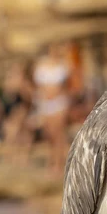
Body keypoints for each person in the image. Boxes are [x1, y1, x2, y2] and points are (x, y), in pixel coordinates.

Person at [32, 43, 70, 175]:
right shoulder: (41, 66)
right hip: (45, 104)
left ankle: (58, 163)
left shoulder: (62, 66)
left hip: (58, 103)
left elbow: (64, 86)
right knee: (49, 135)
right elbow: (39, 87)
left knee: (59, 134)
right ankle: (51, 160)